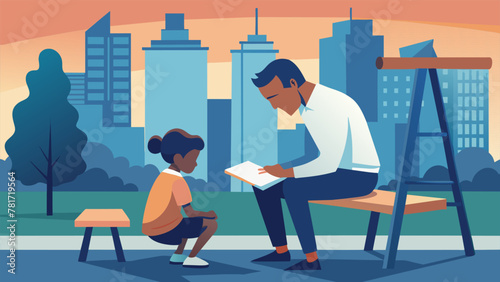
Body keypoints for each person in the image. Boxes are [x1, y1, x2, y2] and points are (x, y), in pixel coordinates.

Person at [251, 59, 380, 271]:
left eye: (274, 97)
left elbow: (327, 163)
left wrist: (287, 172)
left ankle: (311, 259)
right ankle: (281, 251)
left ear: (292, 83)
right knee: (263, 184)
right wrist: (279, 169)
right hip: (338, 170)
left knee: (293, 187)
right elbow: (313, 154)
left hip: (359, 176)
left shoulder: (326, 106)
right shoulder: (308, 106)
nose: (274, 105)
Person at [142, 128, 218, 268]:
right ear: (178, 158)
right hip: (164, 231)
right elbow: (190, 212)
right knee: (211, 224)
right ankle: (192, 257)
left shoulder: (164, 176)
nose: (195, 163)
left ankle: (178, 255)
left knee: (182, 221)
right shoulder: (177, 181)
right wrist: (208, 214)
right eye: (193, 159)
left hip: (151, 228)